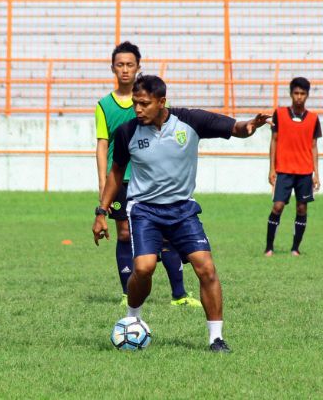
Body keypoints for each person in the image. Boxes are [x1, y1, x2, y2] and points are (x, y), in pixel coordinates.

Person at [92, 74, 271, 352]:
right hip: (145, 211)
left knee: (206, 268)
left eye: (144, 104)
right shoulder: (128, 131)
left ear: (162, 101)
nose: (137, 110)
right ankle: (133, 319)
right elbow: (115, 173)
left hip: (182, 210)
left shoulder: (189, 121)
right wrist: (101, 211)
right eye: (135, 104)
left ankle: (216, 339)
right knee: (144, 268)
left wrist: (251, 126)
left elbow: (235, 127)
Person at [95, 41, 200, 307]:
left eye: (130, 65)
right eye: (120, 65)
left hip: (152, 179)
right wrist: (102, 181)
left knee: (166, 233)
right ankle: (127, 292)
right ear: (112, 68)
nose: (125, 70)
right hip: (121, 177)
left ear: (138, 67)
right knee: (123, 234)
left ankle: (179, 294)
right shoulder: (104, 105)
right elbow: (102, 144)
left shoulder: (151, 100)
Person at [264, 77, 321, 257]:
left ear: (307, 95)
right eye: (296, 93)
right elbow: (273, 141)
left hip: (305, 171)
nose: (299, 97)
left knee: (302, 208)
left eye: (302, 93)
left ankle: (295, 249)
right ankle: (269, 247)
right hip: (284, 170)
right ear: (290, 94)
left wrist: (316, 173)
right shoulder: (279, 114)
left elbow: (313, 146)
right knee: (278, 207)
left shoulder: (313, 118)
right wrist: (272, 168)